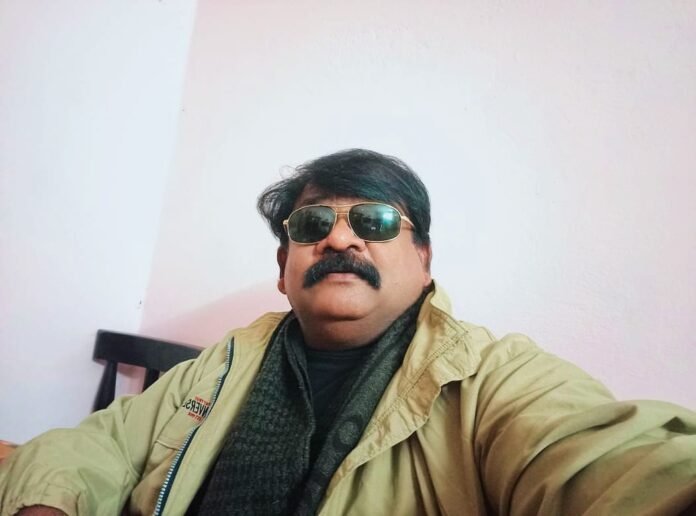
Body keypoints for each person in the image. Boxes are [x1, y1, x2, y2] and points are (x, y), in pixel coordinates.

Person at [1, 149, 695, 516]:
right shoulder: (226, 363)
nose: (339, 237)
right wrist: (45, 503)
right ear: (284, 269)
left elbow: (605, 461)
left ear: (423, 260)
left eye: (375, 221)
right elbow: (98, 443)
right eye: (312, 224)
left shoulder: (492, 379)